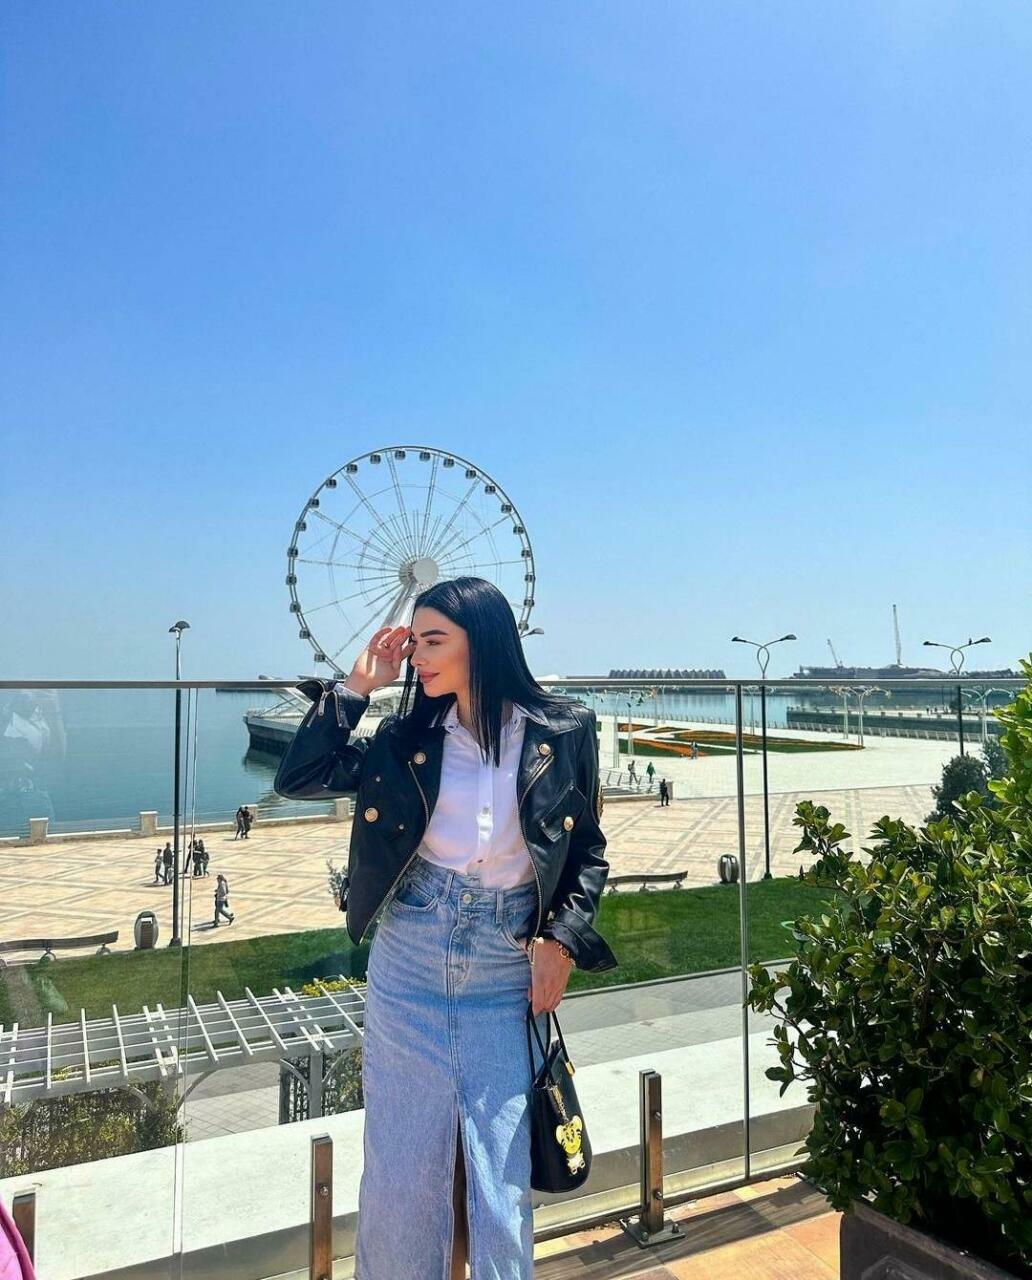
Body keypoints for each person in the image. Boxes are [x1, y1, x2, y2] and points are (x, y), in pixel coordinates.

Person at [274, 577, 617, 1280]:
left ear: (483, 644)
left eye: (434, 642)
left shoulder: (564, 731)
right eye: (415, 642)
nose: (418, 657)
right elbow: (300, 776)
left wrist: (562, 941)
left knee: (501, 1180)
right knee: (400, 1175)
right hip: (411, 953)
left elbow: (586, 849)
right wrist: (358, 686)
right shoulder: (406, 739)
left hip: (506, 960)